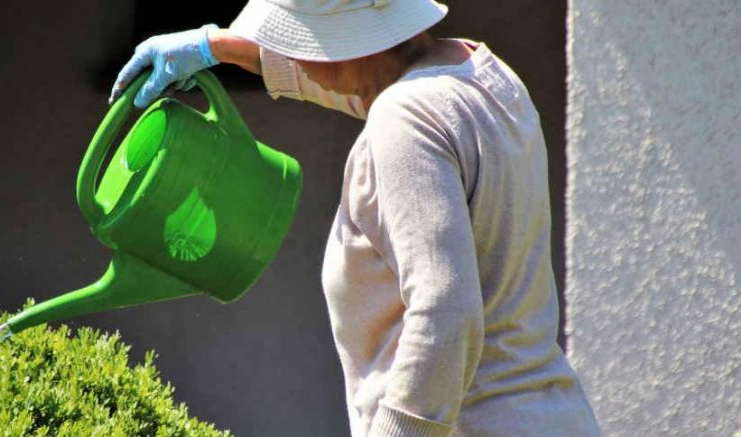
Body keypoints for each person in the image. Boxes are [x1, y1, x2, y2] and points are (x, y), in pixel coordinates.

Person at [109, 1, 601, 436]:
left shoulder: (403, 119)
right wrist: (217, 46)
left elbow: (446, 312)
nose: (293, 54)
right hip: (552, 415)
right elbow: (365, 85)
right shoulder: (480, 73)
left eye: (299, 41)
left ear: (344, 42)